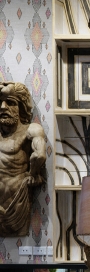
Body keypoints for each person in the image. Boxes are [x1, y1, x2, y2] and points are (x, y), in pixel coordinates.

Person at [0, 83, 47, 237]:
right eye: (0, 102)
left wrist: (33, 173)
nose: (3, 107)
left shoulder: (31, 129)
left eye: (10, 102)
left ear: (21, 107)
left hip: (17, 204)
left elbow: (40, 155)